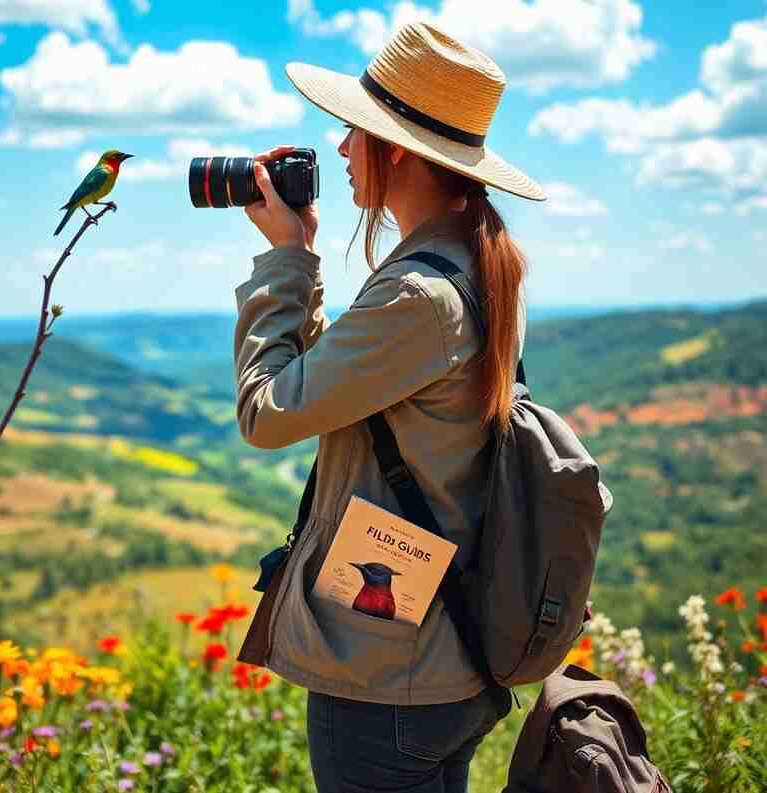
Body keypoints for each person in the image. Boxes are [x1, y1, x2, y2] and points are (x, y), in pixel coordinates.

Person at [234, 21, 546, 793]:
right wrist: (301, 250)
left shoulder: (417, 294)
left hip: (386, 679)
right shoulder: (475, 263)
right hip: (443, 652)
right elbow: (342, 393)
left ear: (396, 147)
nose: (340, 150)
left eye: (353, 131)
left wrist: (285, 261)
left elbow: (269, 413)